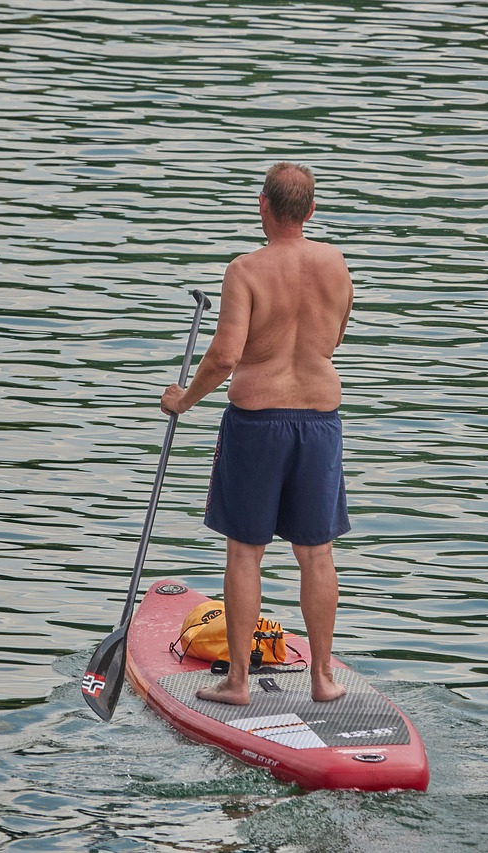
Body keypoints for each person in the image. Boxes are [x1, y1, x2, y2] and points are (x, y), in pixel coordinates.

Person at [160, 162, 354, 706]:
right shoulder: (336, 264)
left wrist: (184, 400)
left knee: (245, 553)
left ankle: (240, 681)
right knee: (316, 554)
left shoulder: (244, 270)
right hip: (319, 421)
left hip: (257, 422)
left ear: (263, 206)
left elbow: (224, 356)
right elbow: (334, 336)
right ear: (312, 211)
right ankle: (321, 678)